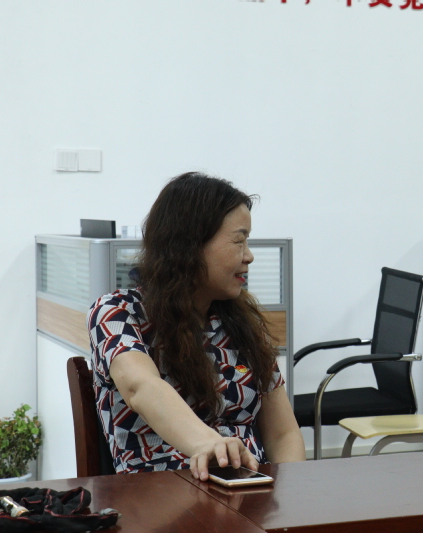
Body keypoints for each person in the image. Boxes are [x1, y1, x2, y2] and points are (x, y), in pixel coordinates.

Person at [87, 172, 305, 479]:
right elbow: (142, 387)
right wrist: (210, 445)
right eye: (239, 240)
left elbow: (283, 434)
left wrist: (294, 493)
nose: (249, 256)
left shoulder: (242, 324)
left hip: (247, 491)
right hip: (158, 493)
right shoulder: (119, 312)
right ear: (189, 245)